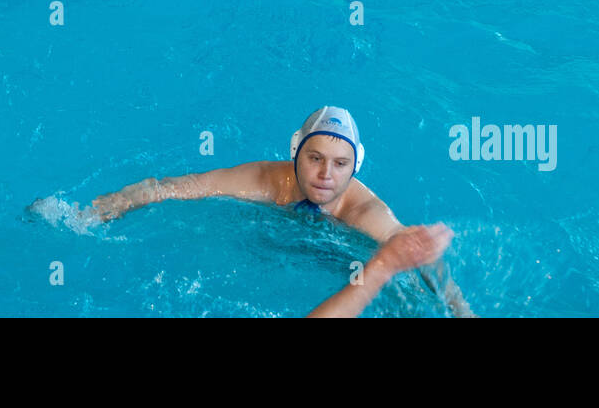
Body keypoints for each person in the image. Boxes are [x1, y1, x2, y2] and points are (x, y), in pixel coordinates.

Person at [84, 106, 473, 317]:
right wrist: (99, 210)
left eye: (341, 164)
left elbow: (413, 248)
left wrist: (460, 308)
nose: (325, 175)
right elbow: (174, 188)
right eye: (315, 158)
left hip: (343, 259)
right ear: (295, 153)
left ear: (355, 167)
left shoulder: (364, 211)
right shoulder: (267, 180)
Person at [308, 223, 455, 318]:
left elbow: (414, 245)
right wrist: (386, 263)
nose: (326, 174)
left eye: (339, 171)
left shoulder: (367, 213)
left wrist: (463, 311)